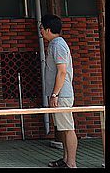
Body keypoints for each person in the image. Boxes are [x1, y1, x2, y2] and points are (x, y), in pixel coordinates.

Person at [41, 14, 78, 169]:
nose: (41, 31)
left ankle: (71, 163)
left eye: (42, 28)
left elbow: (62, 71)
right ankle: (65, 159)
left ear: (48, 29)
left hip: (61, 94)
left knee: (68, 128)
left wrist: (55, 94)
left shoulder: (58, 45)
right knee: (62, 127)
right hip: (58, 94)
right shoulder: (55, 44)